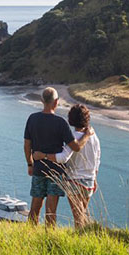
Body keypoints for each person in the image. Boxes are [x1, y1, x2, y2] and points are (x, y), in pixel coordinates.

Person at [24, 87, 89, 226]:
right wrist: (86, 136)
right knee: (51, 210)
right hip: (56, 172)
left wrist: (30, 164)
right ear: (56, 102)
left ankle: (29, 234)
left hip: (38, 169)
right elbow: (76, 147)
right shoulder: (60, 122)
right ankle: (50, 238)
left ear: (42, 100)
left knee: (35, 207)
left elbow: (27, 145)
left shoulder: (32, 118)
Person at [33, 104, 101, 228]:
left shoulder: (74, 137)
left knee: (78, 217)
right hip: (90, 180)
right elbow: (97, 159)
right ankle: (85, 237)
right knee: (82, 214)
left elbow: (63, 157)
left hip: (75, 180)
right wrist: (95, 178)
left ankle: (80, 241)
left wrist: (44, 155)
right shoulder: (93, 136)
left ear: (71, 119)